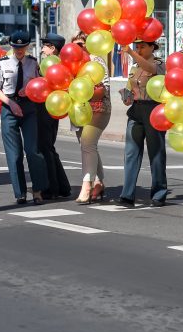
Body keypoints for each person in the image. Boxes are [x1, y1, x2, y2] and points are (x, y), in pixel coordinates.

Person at [0, 29, 49, 204]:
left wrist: (30, 89)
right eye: (16, 47)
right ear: (11, 46)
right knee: (14, 154)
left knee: (32, 150)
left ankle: (38, 189)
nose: (19, 50)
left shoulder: (33, 63)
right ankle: (20, 192)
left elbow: (40, 83)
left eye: (22, 47)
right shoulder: (2, 63)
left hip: (29, 107)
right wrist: (10, 104)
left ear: (28, 46)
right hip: (9, 107)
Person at [117, 37, 167, 208]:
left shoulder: (159, 63)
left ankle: (159, 193)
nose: (139, 49)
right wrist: (126, 96)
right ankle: (127, 194)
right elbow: (131, 89)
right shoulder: (134, 67)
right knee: (131, 153)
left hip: (154, 111)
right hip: (137, 110)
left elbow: (151, 69)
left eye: (143, 46)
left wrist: (130, 52)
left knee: (156, 153)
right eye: (137, 46)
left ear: (152, 47)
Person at [70, 31, 111, 204]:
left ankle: (86, 186)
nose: (77, 48)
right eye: (74, 45)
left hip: (98, 109)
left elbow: (105, 88)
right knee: (88, 146)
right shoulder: (71, 62)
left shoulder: (96, 60)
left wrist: (86, 90)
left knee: (87, 144)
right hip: (79, 110)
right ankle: (99, 182)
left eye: (81, 44)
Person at [37, 32, 72, 200]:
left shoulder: (51, 65)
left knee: (45, 147)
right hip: (54, 108)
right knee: (49, 147)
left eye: (45, 46)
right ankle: (63, 186)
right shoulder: (61, 64)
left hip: (46, 108)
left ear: (52, 48)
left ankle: (51, 188)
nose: (42, 50)